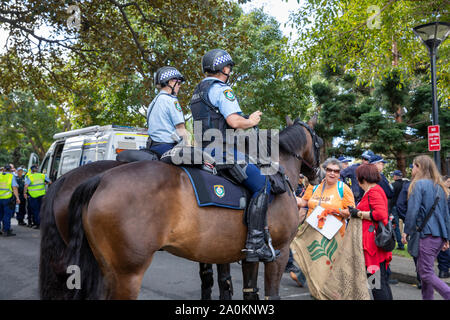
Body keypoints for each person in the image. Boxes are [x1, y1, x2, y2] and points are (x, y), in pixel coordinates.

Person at [189, 48, 278, 263]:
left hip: (202, 149)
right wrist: (252, 121)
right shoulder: (222, 89)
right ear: (224, 68)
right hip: (222, 151)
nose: (229, 71)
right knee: (262, 184)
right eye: (228, 67)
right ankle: (255, 243)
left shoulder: (197, 92)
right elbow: (234, 122)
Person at [401, 155, 450, 300]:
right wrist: (446, 238)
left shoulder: (418, 184)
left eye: (414, 166)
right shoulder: (440, 187)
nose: (412, 169)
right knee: (426, 272)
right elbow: (446, 215)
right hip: (438, 235)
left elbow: (413, 211)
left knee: (425, 272)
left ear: (420, 167)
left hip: (427, 234)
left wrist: (406, 231)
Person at [349, 163, 393, 300]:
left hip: (373, 247)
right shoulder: (373, 190)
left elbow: (381, 214)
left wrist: (359, 213)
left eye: (357, 177)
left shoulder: (373, 191)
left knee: (377, 284)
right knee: (379, 283)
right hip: (372, 244)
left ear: (363, 177)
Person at [297, 158, 355, 236]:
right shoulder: (314, 186)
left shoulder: (343, 188)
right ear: (325, 171)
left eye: (336, 171)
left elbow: (350, 212)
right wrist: (291, 198)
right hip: (311, 232)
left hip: (333, 235)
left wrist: (333, 210)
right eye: (329, 170)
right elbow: (304, 202)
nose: (332, 173)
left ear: (339, 174)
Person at [147, 66, 189, 157]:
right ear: (169, 82)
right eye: (178, 82)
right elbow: (181, 129)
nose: (179, 85)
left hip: (152, 146)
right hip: (166, 147)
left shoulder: (153, 103)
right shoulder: (171, 100)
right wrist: (189, 145)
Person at [23, 165, 51, 230]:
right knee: (42, 209)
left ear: (31, 170)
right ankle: (43, 223)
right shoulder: (42, 175)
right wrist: (44, 184)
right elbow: (50, 182)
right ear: (37, 170)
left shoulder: (30, 176)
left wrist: (24, 193)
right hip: (42, 195)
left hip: (33, 196)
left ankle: (37, 224)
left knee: (35, 210)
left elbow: (26, 185)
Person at [0, 164, 19, 236]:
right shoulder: (11, 176)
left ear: (4, 169)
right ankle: (6, 230)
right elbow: (14, 188)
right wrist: (17, 198)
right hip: (7, 199)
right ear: (10, 170)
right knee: (7, 215)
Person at [437, 175, 450, 279]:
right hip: (445, 223)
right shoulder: (443, 193)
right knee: (445, 247)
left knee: (443, 247)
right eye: (448, 181)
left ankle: (443, 269)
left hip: (441, 223)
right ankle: (443, 270)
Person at [390, 170, 405, 250]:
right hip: (404, 207)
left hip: (394, 207)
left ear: (396, 176)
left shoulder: (393, 185)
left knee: (396, 226)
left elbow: (390, 195)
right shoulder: (405, 184)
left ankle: (400, 244)